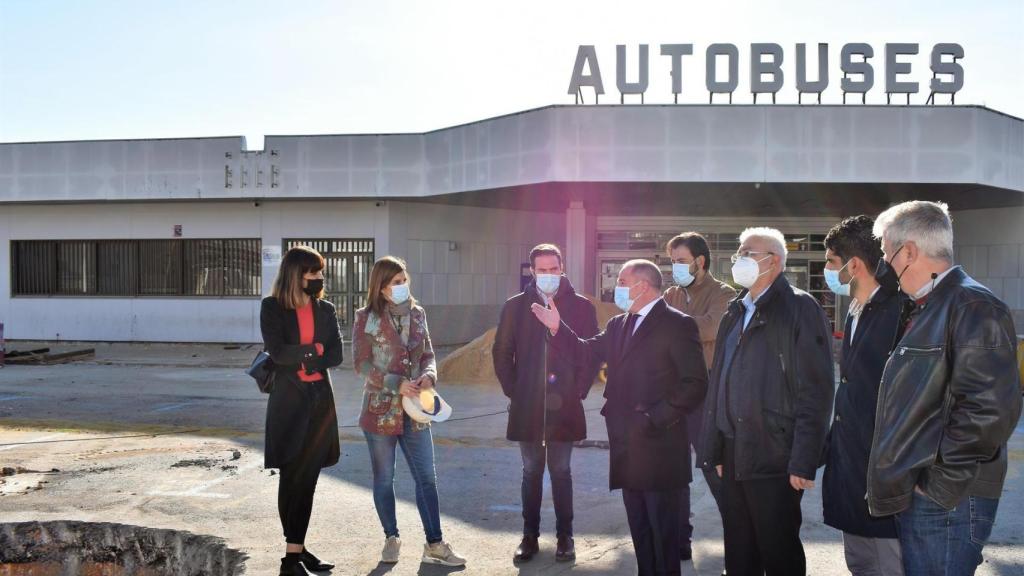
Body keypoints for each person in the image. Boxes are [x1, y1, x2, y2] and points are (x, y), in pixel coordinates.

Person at [867, 201, 1022, 576]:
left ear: (909, 252)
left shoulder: (973, 305)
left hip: (947, 499)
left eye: (887, 252)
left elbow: (989, 411)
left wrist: (935, 487)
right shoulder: (929, 305)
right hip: (934, 493)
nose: (884, 264)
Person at [531, 259, 707, 576]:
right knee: (640, 531)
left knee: (663, 535)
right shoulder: (619, 324)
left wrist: (655, 417)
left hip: (660, 448)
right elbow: (585, 352)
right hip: (627, 448)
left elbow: (695, 383)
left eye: (622, 280)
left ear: (643, 285)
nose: (617, 286)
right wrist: (558, 328)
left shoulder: (678, 324)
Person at [697, 227, 835, 576]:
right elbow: (720, 383)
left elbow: (816, 391)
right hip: (733, 452)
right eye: (738, 254)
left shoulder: (800, 308)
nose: (738, 260)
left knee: (778, 553)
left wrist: (803, 460)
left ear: (773, 261)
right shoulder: (735, 310)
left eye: (747, 253)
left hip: (775, 454)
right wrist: (714, 449)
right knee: (740, 552)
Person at [353, 256, 466, 568]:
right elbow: (360, 364)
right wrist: (395, 383)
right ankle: (391, 537)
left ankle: (435, 544)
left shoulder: (418, 314)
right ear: (381, 286)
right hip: (380, 412)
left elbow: (428, 353)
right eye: (395, 282)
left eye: (404, 280)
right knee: (383, 479)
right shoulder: (366, 318)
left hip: (416, 411)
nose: (402, 286)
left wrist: (429, 376)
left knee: (427, 479)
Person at [493, 244, 600, 563]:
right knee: (531, 470)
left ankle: (565, 536)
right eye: (542, 270)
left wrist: (578, 389)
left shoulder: (581, 307)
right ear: (531, 271)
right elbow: (502, 352)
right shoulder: (515, 307)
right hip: (527, 406)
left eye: (554, 269)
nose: (549, 275)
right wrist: (515, 390)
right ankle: (529, 535)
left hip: (564, 405)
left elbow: (591, 353)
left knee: (562, 470)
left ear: (562, 267)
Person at [820, 216, 905, 575]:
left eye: (830, 261)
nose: (826, 270)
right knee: (860, 565)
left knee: (886, 567)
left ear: (854, 265)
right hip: (852, 472)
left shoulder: (900, 310)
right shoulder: (857, 308)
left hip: (882, 479)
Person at [261, 245, 343, 576]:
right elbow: (278, 352)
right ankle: (294, 553)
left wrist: (305, 354)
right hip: (288, 402)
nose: (318, 278)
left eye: (320, 272)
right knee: (290, 476)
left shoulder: (326, 309)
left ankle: (293, 555)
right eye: (312, 272)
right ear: (296, 275)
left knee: (306, 478)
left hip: (319, 403)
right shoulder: (272, 308)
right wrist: (314, 351)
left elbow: (335, 355)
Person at [662, 232, 736, 561]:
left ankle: (740, 540)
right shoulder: (671, 294)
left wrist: (670, 327)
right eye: (672, 261)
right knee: (675, 472)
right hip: (673, 395)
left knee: (712, 467)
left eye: (680, 261)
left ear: (700, 262)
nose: (674, 268)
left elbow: (712, 328)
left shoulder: (724, 293)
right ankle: (680, 540)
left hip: (707, 395)